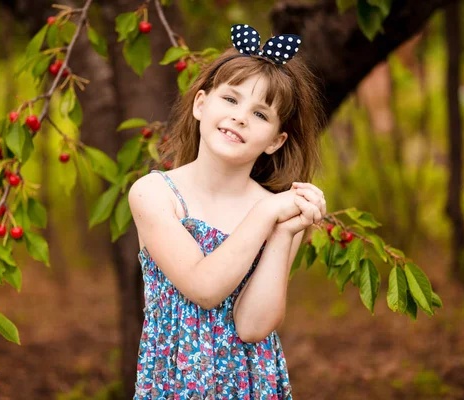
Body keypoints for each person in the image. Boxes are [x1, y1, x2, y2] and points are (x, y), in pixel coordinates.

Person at [129, 23, 327, 400]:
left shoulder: (280, 216)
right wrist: (267, 214)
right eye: (231, 100)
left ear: (276, 140)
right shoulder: (154, 193)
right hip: (176, 383)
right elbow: (204, 288)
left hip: (251, 384)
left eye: (261, 115)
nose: (240, 118)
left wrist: (284, 232)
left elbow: (253, 326)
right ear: (201, 104)